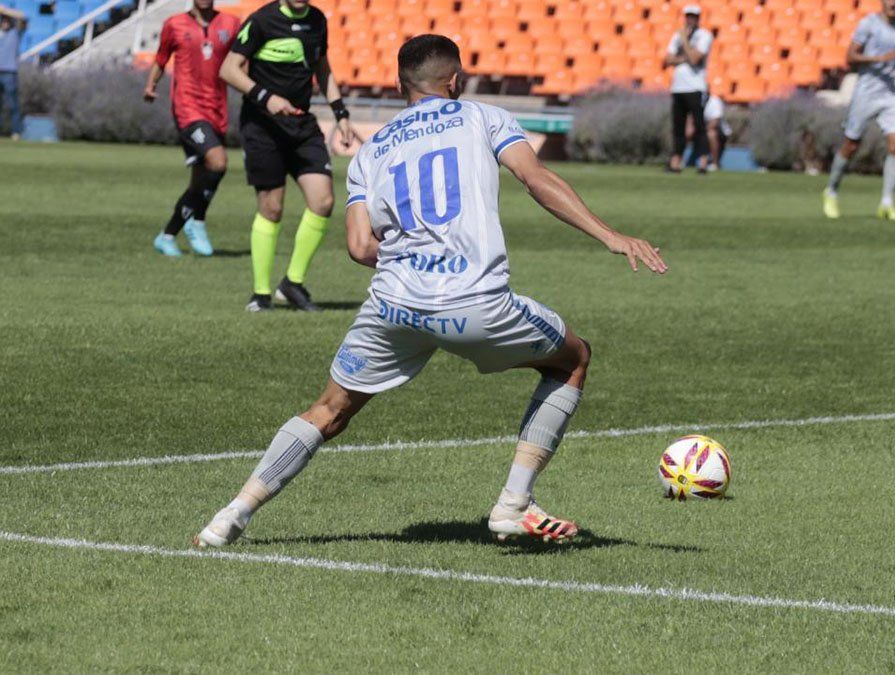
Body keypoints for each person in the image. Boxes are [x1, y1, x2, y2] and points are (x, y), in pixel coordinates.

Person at [193, 34, 668, 548]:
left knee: (329, 410)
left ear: (400, 87)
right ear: (456, 82)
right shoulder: (483, 117)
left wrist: (412, 254)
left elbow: (358, 246)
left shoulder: (372, 150)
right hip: (475, 302)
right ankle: (513, 503)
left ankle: (230, 516)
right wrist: (611, 235)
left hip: (395, 304)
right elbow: (535, 179)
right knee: (572, 359)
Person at [220, 0, 358, 312]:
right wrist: (265, 97)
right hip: (262, 126)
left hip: (301, 124)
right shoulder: (261, 21)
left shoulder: (318, 20)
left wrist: (341, 114)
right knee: (272, 208)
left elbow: (322, 67)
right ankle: (260, 293)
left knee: (323, 201)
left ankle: (292, 284)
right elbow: (228, 69)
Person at [144, 0, 241, 258]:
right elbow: (161, 58)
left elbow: (243, 61)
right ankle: (197, 221)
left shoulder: (231, 24)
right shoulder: (174, 24)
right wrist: (151, 85)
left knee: (200, 181)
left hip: (217, 110)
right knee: (218, 162)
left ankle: (166, 236)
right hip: (187, 109)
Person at [822, 0, 895, 221]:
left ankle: (887, 203)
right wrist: (878, 59)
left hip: (890, 93)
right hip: (866, 92)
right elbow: (850, 56)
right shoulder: (868, 24)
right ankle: (831, 191)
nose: (894, 4)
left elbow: (894, 51)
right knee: (851, 144)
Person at [663, 5, 712, 174]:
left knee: (699, 126)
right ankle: (676, 161)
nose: (690, 20)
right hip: (678, 87)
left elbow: (695, 58)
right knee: (678, 127)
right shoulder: (677, 35)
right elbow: (667, 59)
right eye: (688, 16)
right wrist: (684, 57)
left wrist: (684, 43)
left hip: (695, 87)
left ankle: (703, 162)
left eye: (694, 16)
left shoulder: (703, 35)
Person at [0, 4, 26, 140]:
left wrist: (5, 10)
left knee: (13, 103)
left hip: (9, 72)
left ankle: (16, 131)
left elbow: (23, 17)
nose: (4, 22)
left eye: (6, 20)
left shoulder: (15, 33)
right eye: (2, 20)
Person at [703, 93, 731, 170]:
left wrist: (701, 131)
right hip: (702, 130)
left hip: (720, 132)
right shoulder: (695, 100)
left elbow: (715, 122)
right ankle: (678, 160)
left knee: (711, 134)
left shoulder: (715, 101)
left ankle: (714, 164)